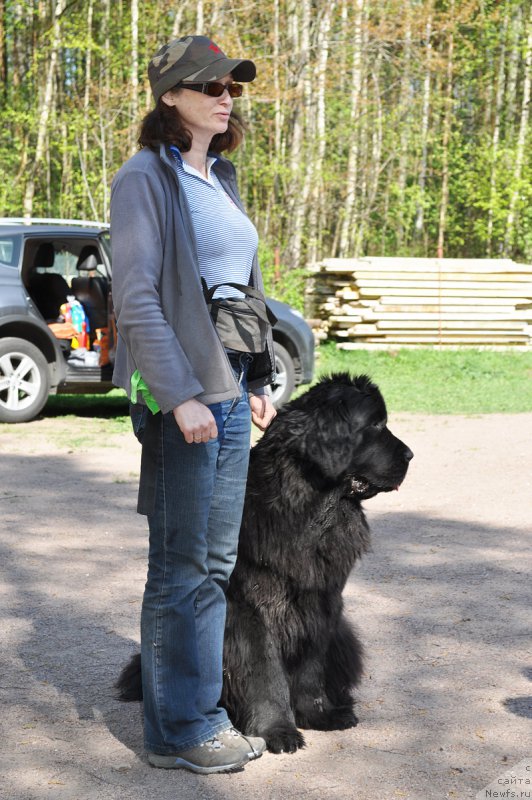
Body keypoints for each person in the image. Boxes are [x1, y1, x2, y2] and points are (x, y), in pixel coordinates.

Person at [110, 35, 277, 774]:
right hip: (187, 392)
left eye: (231, 85)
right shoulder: (146, 177)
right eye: (209, 84)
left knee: (212, 561)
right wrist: (179, 396)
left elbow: (244, 288)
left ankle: (196, 712)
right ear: (169, 97)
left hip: (234, 387)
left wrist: (262, 377)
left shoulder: (223, 177)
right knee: (181, 563)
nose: (225, 95)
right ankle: (180, 727)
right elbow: (138, 297)